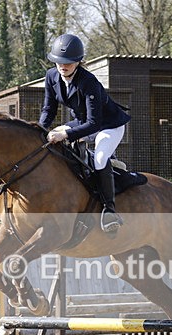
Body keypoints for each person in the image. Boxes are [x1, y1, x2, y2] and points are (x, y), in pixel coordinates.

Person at [38, 34, 131, 233]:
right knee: (49, 139)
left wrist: (67, 135)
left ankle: (109, 210)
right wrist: (39, 130)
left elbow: (94, 123)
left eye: (69, 63)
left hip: (108, 126)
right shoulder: (51, 76)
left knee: (99, 158)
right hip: (82, 123)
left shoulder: (88, 82)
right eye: (59, 62)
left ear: (78, 62)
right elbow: (49, 110)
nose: (63, 66)